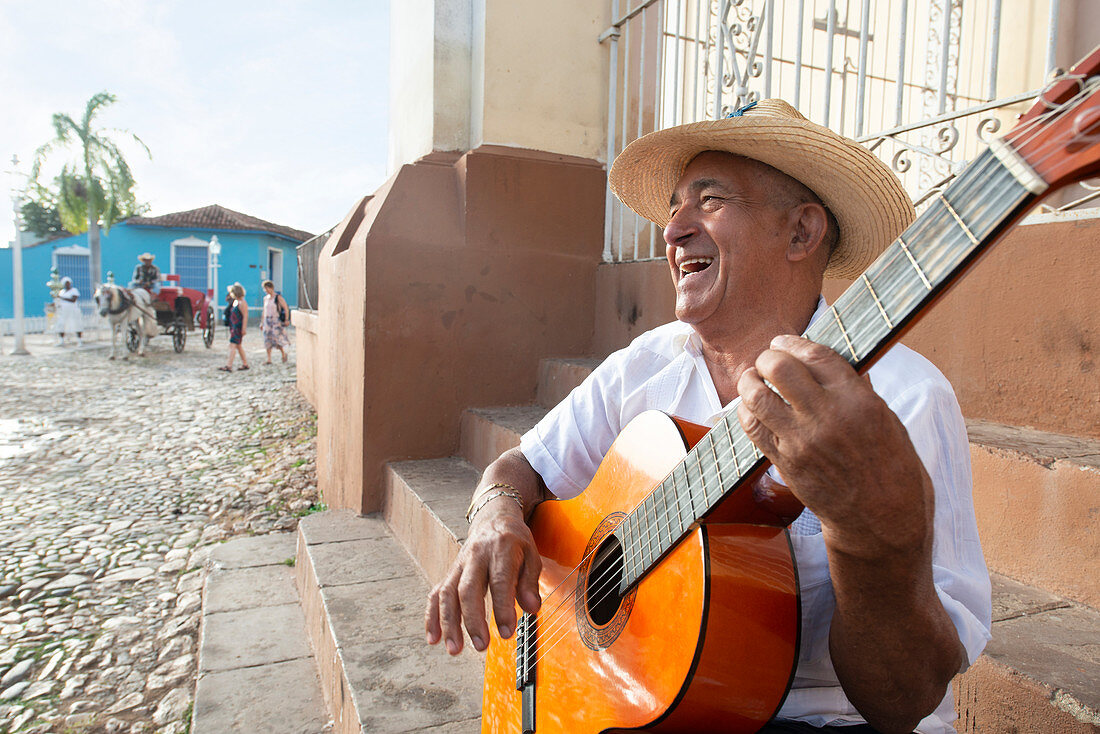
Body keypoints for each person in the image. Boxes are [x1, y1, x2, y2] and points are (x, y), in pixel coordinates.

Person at [424, 101, 991, 733]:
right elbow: (521, 465)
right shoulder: (646, 364)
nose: (672, 230)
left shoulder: (902, 399)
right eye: (674, 206)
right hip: (632, 699)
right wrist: (495, 514)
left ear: (802, 233)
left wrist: (870, 535)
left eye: (710, 200)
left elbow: (903, 699)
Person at [218, 283, 249, 372]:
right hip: (234, 326)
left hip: (238, 328)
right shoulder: (236, 302)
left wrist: (244, 328)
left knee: (232, 345)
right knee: (238, 346)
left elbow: (245, 316)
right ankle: (245, 364)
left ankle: (229, 365)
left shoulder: (242, 303)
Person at [259, 279, 290, 364]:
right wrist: (262, 322)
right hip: (267, 321)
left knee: (277, 339)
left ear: (271, 288)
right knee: (267, 339)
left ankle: (283, 353)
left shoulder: (278, 297)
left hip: (276, 321)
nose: (265, 290)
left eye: (266, 288)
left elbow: (285, 308)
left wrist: (286, 319)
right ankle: (269, 359)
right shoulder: (265, 298)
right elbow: (264, 311)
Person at [55, 277, 83, 346]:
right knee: (61, 324)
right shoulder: (61, 292)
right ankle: (61, 340)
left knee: (77, 324)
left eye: (68, 283)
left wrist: (62, 298)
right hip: (64, 311)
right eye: (65, 283)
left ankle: (79, 341)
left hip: (73, 310)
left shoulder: (74, 290)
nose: (67, 284)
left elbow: (73, 300)